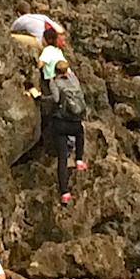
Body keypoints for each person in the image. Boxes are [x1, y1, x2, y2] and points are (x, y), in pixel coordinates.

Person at [49, 60, 88, 203]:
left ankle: (64, 192)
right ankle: (79, 160)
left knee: (62, 158)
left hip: (60, 123)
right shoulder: (74, 80)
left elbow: (56, 99)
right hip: (74, 122)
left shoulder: (55, 83)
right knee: (80, 133)